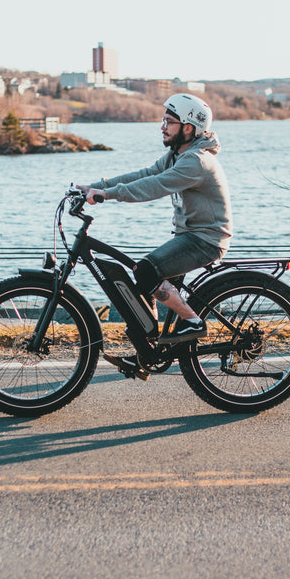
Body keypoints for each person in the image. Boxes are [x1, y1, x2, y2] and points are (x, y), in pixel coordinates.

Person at [78, 94, 232, 378]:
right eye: (163, 120)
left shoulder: (195, 162)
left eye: (169, 122)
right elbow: (144, 174)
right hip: (188, 236)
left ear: (188, 128)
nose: (162, 126)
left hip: (205, 240)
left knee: (146, 271)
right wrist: (95, 186)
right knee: (142, 280)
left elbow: (154, 186)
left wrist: (108, 195)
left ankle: (194, 322)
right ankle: (149, 350)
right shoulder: (178, 155)